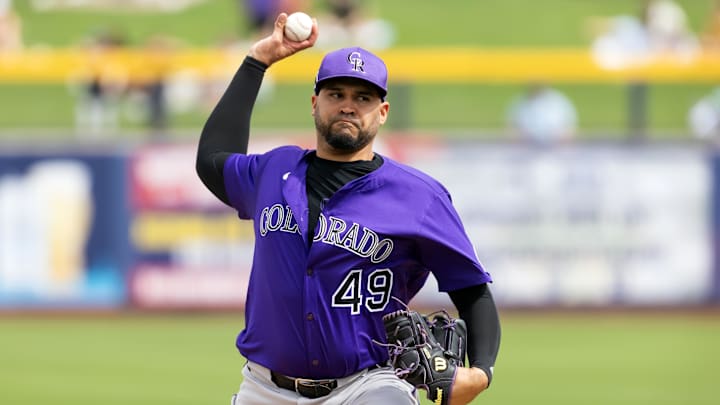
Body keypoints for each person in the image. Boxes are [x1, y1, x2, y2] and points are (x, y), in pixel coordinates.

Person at [196, 13, 501, 405]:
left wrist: (480, 373)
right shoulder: (273, 171)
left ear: (383, 112)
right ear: (314, 103)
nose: (348, 106)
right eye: (336, 94)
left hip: (369, 384)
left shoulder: (419, 197)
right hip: (264, 388)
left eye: (363, 97)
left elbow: (472, 289)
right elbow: (211, 160)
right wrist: (257, 61)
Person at [507, 83, 578, 146]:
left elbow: (570, 129)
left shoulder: (559, 101)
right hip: (527, 148)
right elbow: (511, 128)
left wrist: (561, 137)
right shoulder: (519, 102)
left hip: (555, 148)